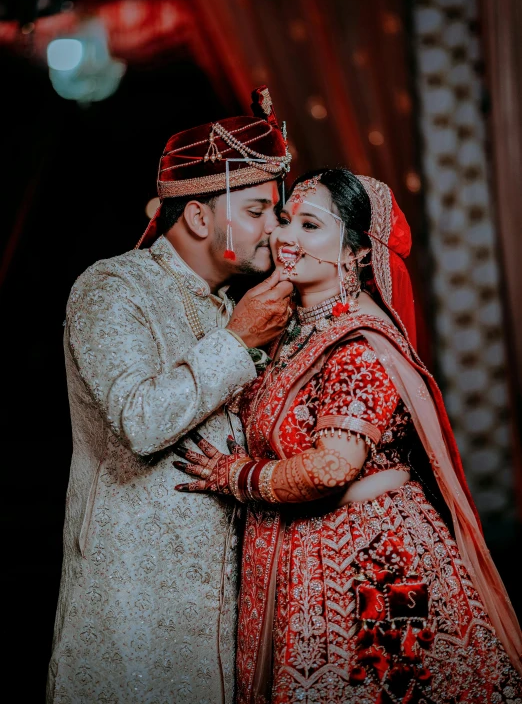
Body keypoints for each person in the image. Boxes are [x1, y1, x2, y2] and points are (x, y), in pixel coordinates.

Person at [176, 168, 522, 704]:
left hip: (365, 566)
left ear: (358, 253)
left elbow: (333, 465)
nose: (285, 238)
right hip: (296, 556)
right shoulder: (290, 327)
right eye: (287, 220)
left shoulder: (358, 344)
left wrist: (235, 475)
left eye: (310, 225)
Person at [46, 87, 294, 704]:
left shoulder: (233, 309)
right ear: (200, 216)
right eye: (260, 208)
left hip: (218, 612)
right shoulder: (111, 287)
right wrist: (237, 342)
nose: (277, 227)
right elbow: (141, 418)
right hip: (130, 605)